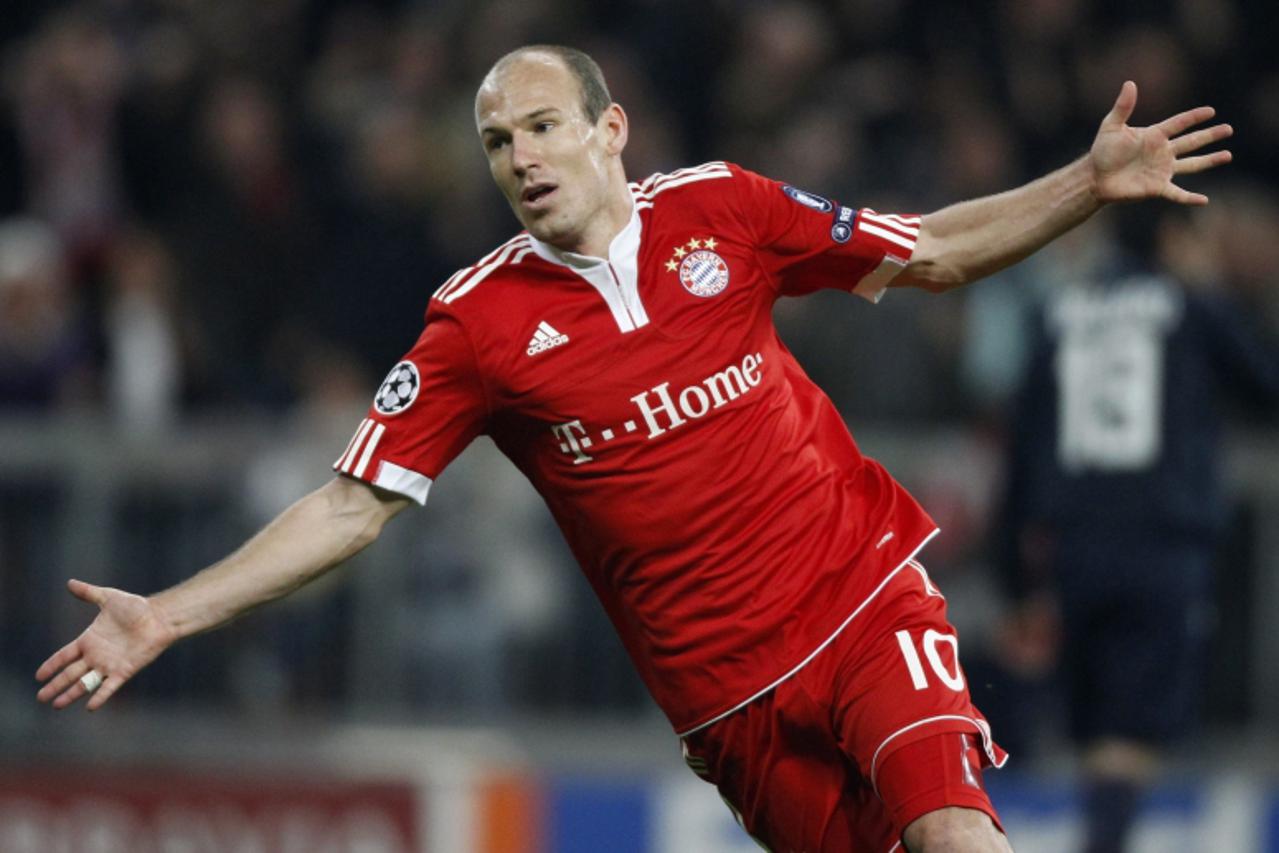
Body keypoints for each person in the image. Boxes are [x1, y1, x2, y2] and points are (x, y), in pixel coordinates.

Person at [36, 45, 1231, 853]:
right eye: (500, 143)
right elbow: (352, 506)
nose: (522, 158)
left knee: (953, 832)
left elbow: (930, 251)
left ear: (610, 131)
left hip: (863, 591)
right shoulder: (477, 325)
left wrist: (1084, 182)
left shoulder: (724, 210)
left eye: (544, 127)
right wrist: (170, 615)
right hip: (727, 697)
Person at [997, 211, 1279, 853]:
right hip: (1162, 543)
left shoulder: (1057, 312)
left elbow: (1022, 450)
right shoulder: (1190, 305)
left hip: (1075, 549)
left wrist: (1016, 581)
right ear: (1175, 241)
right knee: (1132, 733)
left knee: (1098, 733)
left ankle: (1101, 835)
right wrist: (1213, 292)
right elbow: (1265, 384)